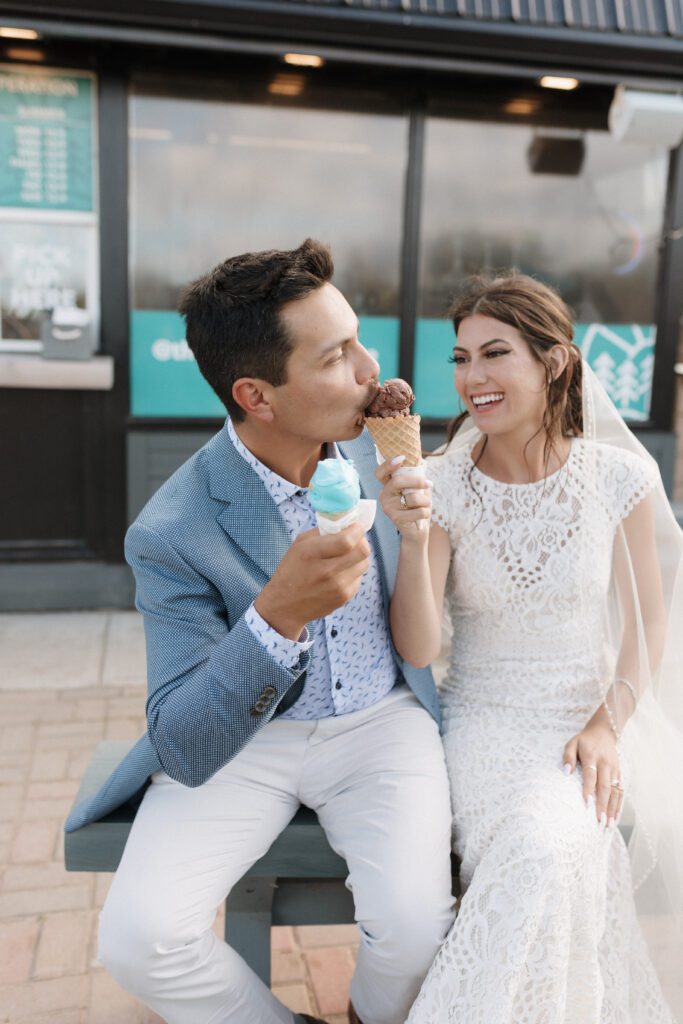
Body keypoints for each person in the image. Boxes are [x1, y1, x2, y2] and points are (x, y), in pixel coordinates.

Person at [64, 239, 455, 1024]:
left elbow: (421, 642)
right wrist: (275, 618)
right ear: (257, 394)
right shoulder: (170, 531)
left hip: (382, 724)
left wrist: (416, 533)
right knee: (139, 940)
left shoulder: (386, 456)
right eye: (336, 357)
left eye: (358, 341)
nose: (370, 371)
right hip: (251, 744)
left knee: (415, 932)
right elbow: (181, 734)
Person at [378, 273, 683, 1023]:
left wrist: (606, 724)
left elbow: (648, 624)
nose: (471, 378)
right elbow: (417, 648)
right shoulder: (439, 483)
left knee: (560, 850)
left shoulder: (621, 476)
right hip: (483, 724)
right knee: (544, 852)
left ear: (551, 363)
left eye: (493, 354)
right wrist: (413, 538)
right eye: (458, 359)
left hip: (587, 722)